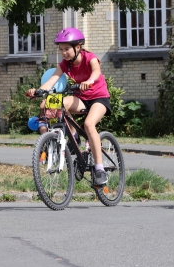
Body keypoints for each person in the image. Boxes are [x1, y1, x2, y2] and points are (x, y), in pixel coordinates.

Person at [26, 27, 111, 186]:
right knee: (58, 103)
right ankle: (74, 135)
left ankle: (100, 169)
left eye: (67, 49)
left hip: (99, 98)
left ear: (77, 47)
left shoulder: (89, 57)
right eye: (61, 49)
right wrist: (37, 91)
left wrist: (90, 81)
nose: (64, 52)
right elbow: (51, 81)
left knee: (89, 124)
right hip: (82, 97)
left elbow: (96, 71)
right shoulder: (64, 65)